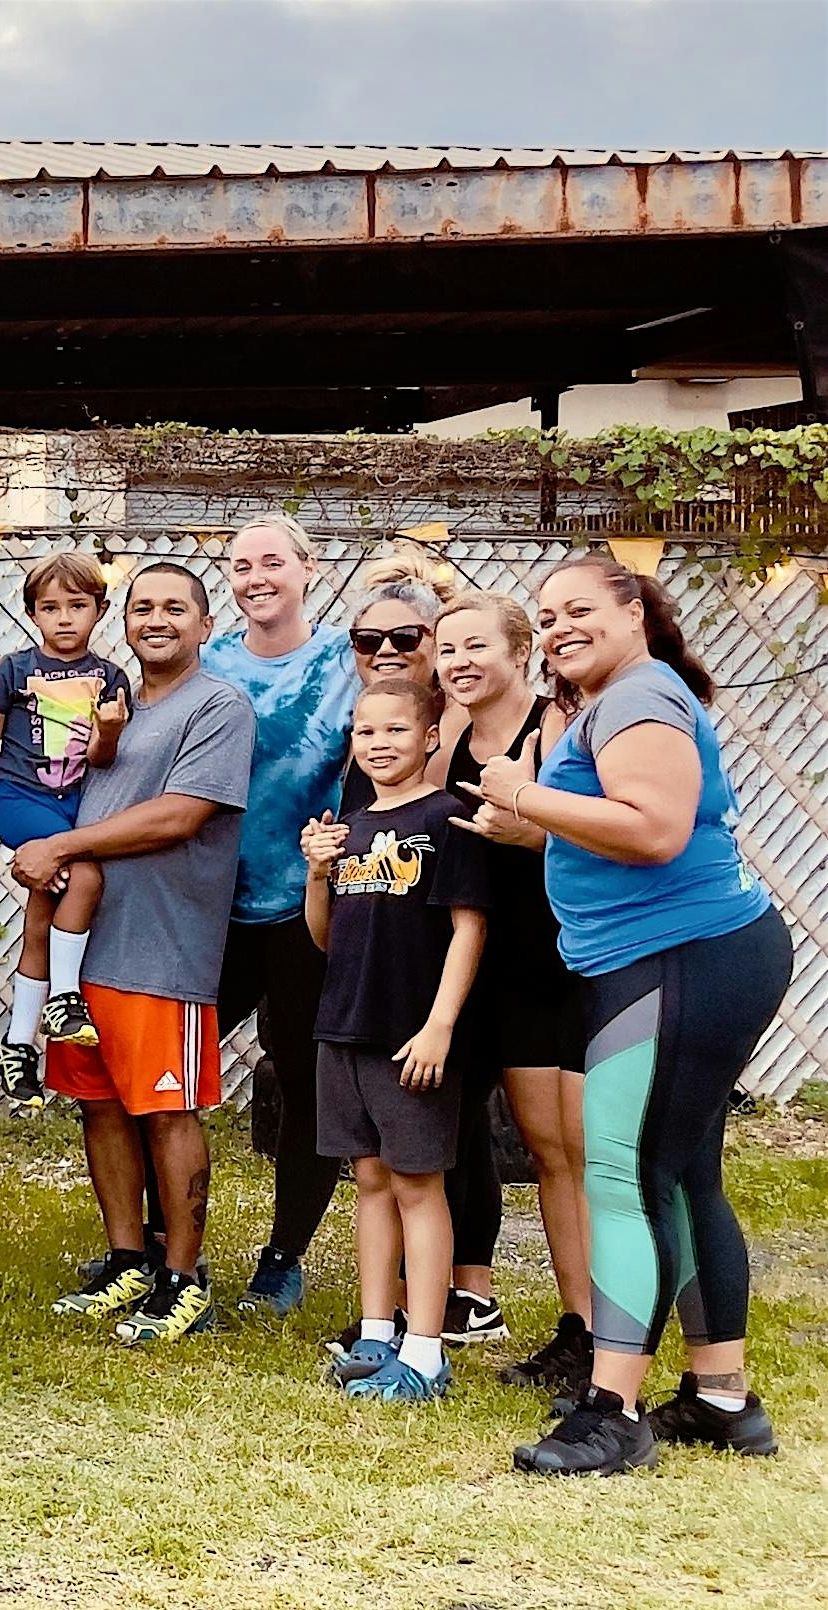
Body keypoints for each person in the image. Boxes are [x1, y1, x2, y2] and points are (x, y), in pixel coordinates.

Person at [459, 557, 792, 1474]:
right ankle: (723, 1398)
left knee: (624, 1175)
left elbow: (653, 828)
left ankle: (611, 1412)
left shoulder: (639, 699)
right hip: (688, 959)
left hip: (673, 962)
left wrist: (519, 791)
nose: (558, 626)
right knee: (683, 1177)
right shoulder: (626, 697)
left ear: (634, 611)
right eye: (546, 614)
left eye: (578, 610)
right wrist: (532, 819)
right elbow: (611, 822)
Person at [19, 562, 253, 1346]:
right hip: (85, 951)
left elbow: (178, 816)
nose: (158, 619)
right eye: (143, 606)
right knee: (100, 1105)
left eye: (175, 608)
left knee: (166, 1108)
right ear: (123, 621)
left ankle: (182, 1278)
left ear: (204, 625)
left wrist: (62, 843)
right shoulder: (105, 705)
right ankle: (127, 1258)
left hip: (164, 945)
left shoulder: (216, 706)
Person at [301, 679, 490, 1402]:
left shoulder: (448, 819)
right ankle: (376, 1332)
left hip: (410, 1032)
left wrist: (439, 1025)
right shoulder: (345, 825)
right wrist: (316, 875)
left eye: (395, 730)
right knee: (370, 1181)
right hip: (342, 1024)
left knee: (417, 1183)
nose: (378, 743)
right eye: (365, 730)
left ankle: (425, 1348)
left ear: (430, 737)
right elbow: (325, 936)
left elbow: (469, 928)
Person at [434, 591, 595, 1390]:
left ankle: (603, 1332)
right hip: (495, 969)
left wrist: (530, 826)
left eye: (474, 647)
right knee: (544, 1152)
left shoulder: (556, 723)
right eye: (446, 650)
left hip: (570, 958)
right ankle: (578, 1333)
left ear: (518, 651)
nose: (458, 662)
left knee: (583, 1152)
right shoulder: (450, 739)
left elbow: (602, 830)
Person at [201, 513, 358, 1319]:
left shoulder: (344, 662)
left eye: (271, 561)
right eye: (240, 565)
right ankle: (165, 1245)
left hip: (307, 906)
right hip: (210, 906)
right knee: (172, 1069)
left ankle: (282, 1255)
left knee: (301, 1080)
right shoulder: (208, 661)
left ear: (306, 568)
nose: (255, 576)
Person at [0, 553, 130, 1099]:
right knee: (85, 877)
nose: (64, 618)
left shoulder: (111, 678)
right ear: (33, 614)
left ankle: (15, 1046)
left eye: (77, 606)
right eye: (50, 608)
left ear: (100, 611)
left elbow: (104, 761)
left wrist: (107, 732)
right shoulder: (15, 670)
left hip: (77, 804)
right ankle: (63, 999)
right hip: (22, 799)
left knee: (42, 918)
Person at [341, 572, 452, 808]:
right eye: (368, 639)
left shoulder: (464, 725)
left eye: (405, 637)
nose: (386, 650)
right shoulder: (355, 729)